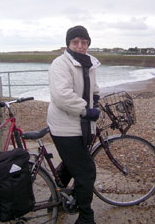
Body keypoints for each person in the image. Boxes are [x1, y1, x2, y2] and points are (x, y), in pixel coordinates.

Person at [47, 25, 100, 224]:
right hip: (65, 126)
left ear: (88, 44)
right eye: (75, 42)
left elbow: (93, 87)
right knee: (86, 170)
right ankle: (86, 218)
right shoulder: (60, 64)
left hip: (82, 125)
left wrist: (96, 98)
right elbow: (62, 95)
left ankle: (57, 197)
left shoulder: (90, 63)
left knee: (73, 165)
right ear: (68, 44)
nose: (80, 46)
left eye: (84, 42)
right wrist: (86, 110)